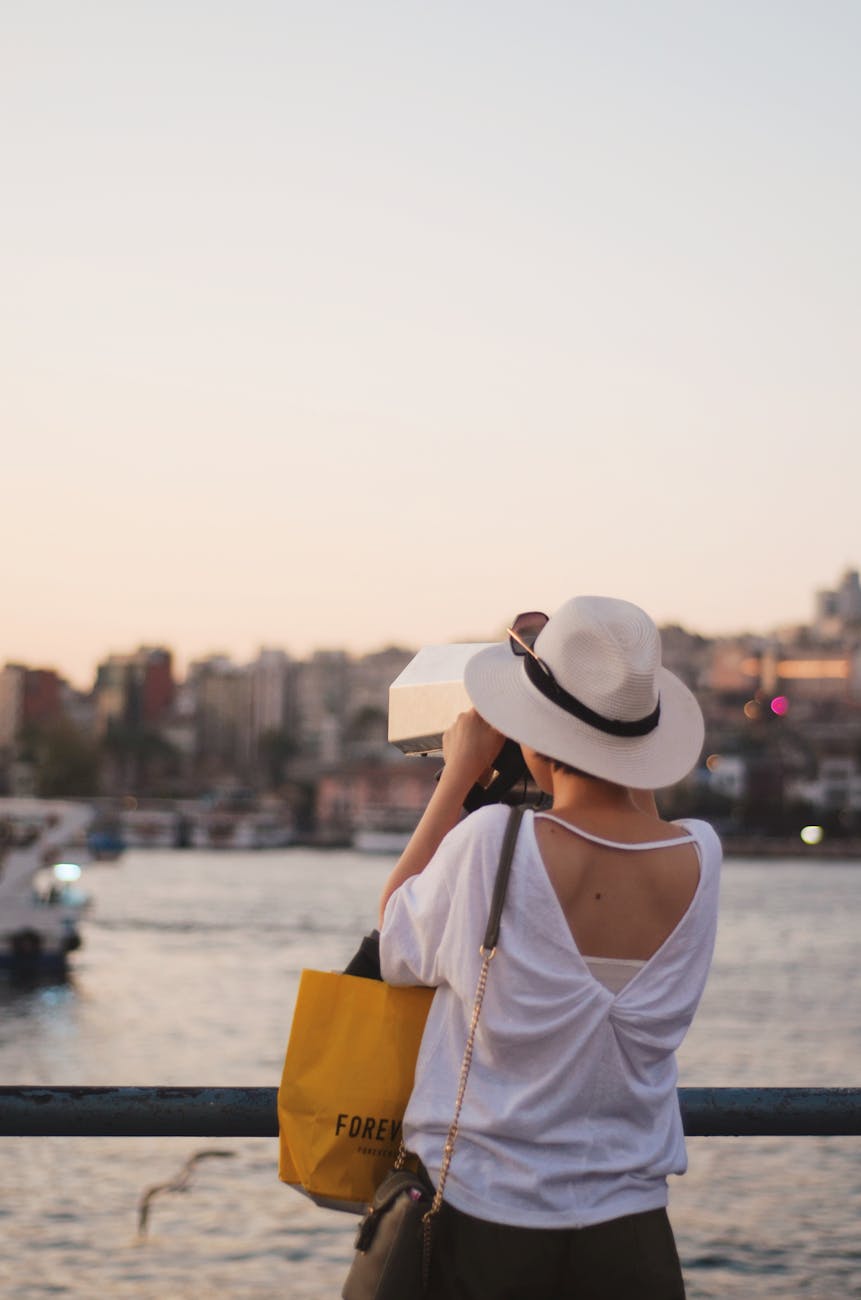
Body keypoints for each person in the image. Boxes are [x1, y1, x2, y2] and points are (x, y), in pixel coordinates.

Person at [377, 596, 721, 1299]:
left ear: (537, 729)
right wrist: (608, 732)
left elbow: (395, 939)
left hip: (488, 1216)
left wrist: (459, 772)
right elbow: (632, 807)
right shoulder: (700, 855)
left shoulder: (493, 841)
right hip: (632, 1233)